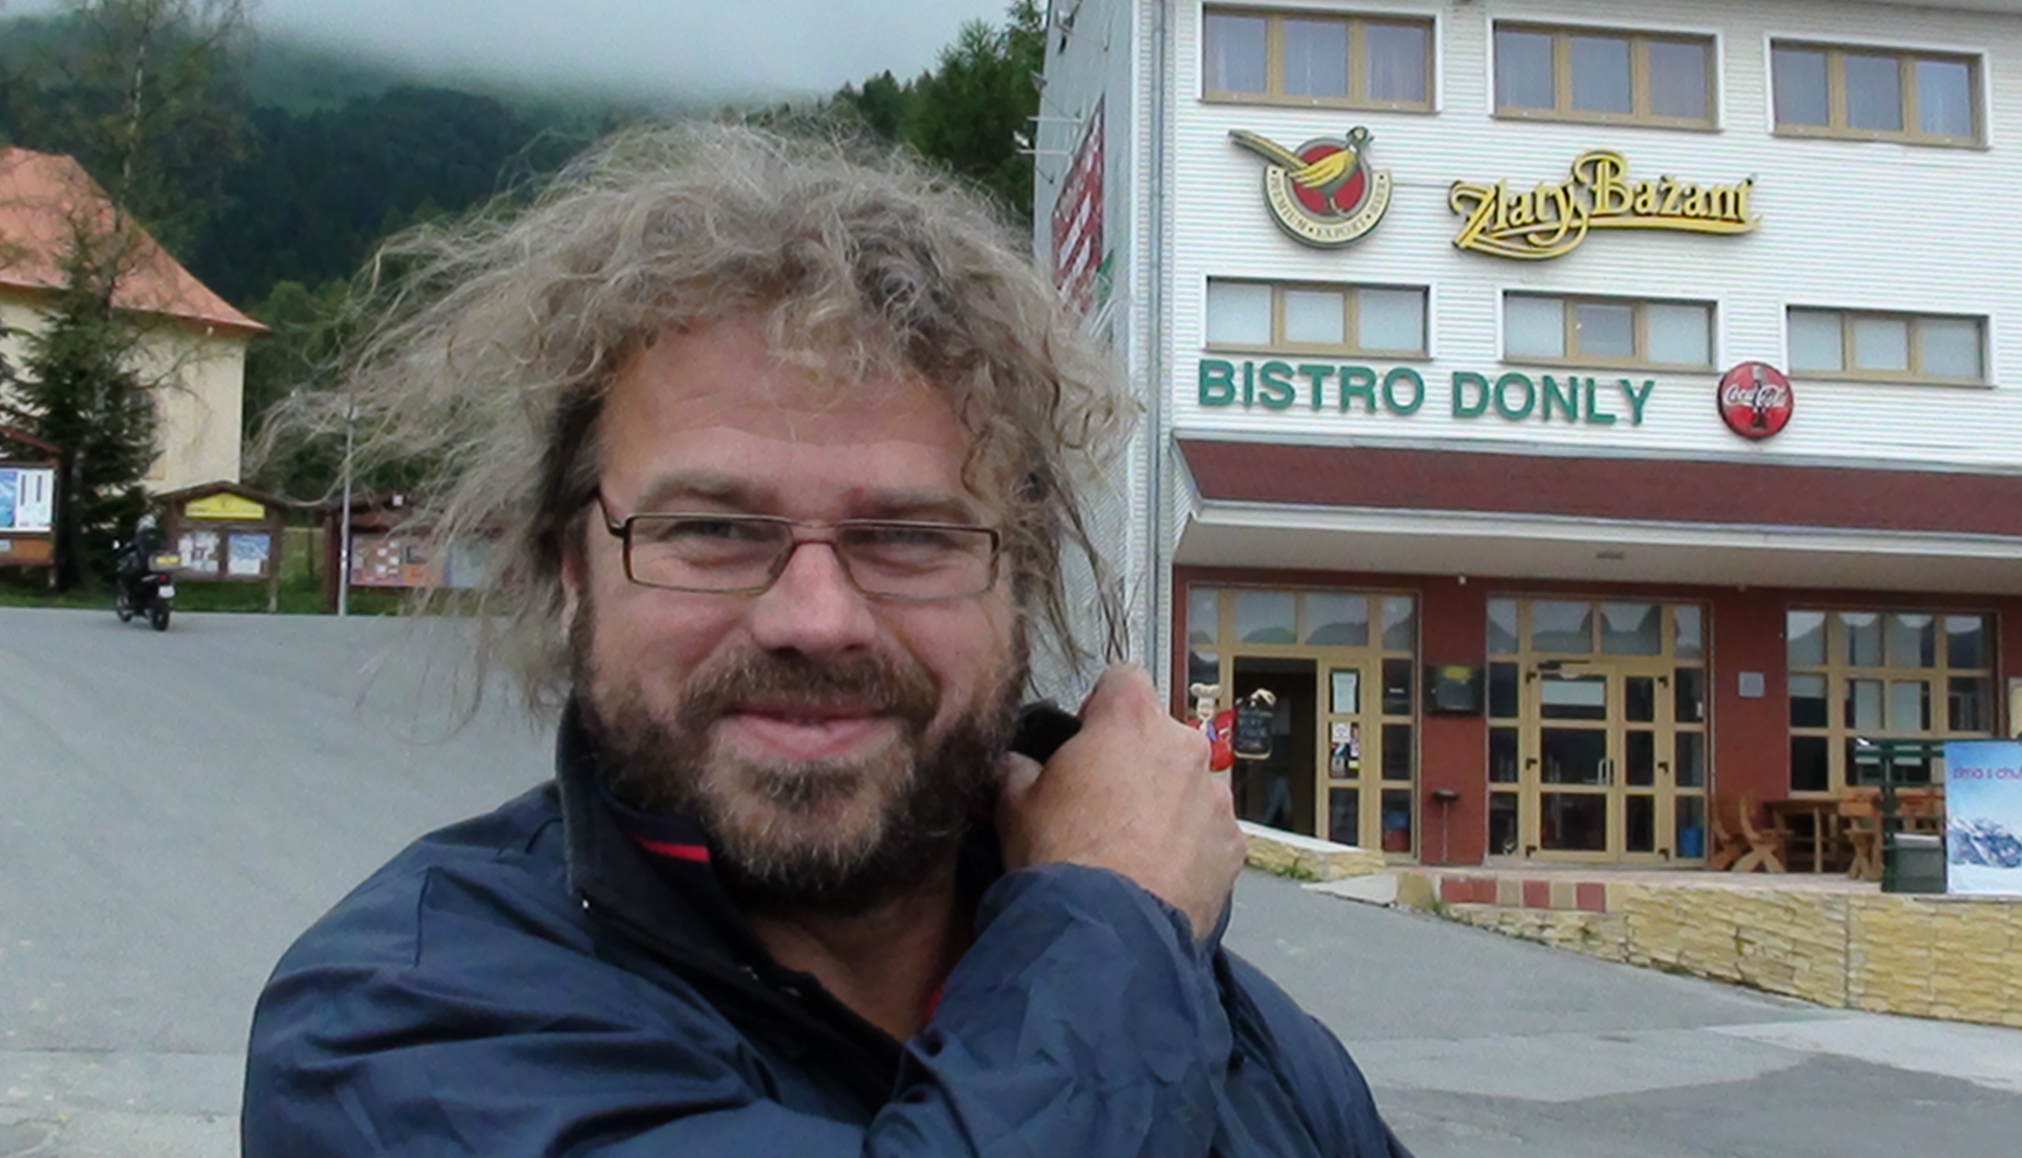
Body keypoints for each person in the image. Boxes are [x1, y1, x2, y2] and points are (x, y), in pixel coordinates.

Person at [241, 125, 1409, 1157]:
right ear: (571, 570)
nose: (815, 617)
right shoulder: (400, 1025)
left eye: (908, 536)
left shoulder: (1229, 1031)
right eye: (712, 529)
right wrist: (1113, 918)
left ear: (1019, 583)